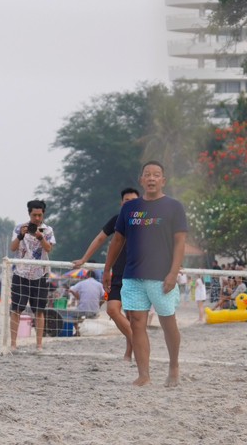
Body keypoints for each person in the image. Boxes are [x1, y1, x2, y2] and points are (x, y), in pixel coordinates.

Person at [103, 161, 189, 388]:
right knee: (137, 323)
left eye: (156, 175)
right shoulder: (129, 209)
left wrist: (172, 273)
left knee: (168, 322)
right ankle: (144, 375)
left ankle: (173, 365)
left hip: (162, 276)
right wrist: (107, 269)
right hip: (133, 276)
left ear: (163, 180)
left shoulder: (173, 207)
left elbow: (180, 242)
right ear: (141, 180)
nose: (151, 178)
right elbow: (117, 240)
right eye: (147, 175)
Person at [72, 186, 141, 363]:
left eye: (134, 201)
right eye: (127, 201)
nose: (130, 204)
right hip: (117, 273)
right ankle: (138, 341)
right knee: (112, 310)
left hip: (137, 274)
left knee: (132, 316)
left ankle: (129, 351)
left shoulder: (144, 222)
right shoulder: (117, 220)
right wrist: (85, 259)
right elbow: (100, 238)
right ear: (121, 203)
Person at [8, 199, 54, 352]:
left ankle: (39, 345)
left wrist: (40, 236)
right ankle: (13, 344)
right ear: (29, 214)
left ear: (43, 214)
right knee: (16, 309)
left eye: (40, 215)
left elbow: (48, 249)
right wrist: (21, 236)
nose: (37, 219)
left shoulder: (48, 230)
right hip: (20, 273)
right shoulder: (19, 228)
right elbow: (13, 248)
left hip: (40, 274)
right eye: (34, 215)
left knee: (39, 310)